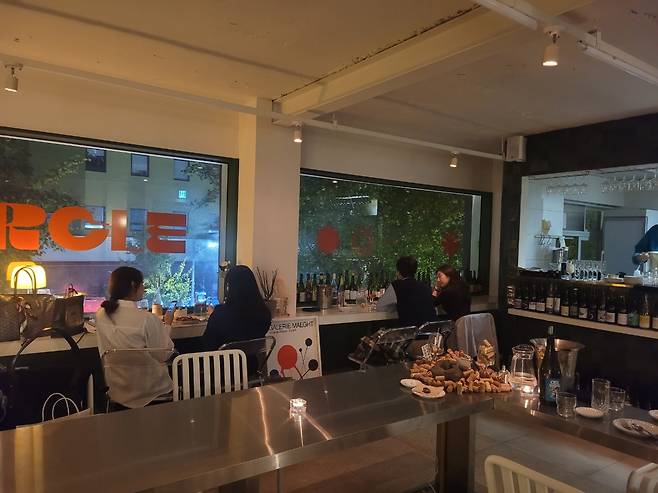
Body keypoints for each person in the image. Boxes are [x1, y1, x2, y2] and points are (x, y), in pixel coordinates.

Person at [96, 266, 175, 409]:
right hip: (152, 392)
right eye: (142, 283)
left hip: (117, 392)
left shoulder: (100, 315)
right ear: (133, 285)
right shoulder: (147, 319)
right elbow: (163, 354)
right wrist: (168, 325)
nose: (144, 287)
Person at [202, 265, 272, 351]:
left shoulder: (221, 315)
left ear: (230, 287)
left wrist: (214, 314)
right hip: (250, 363)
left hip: (223, 362)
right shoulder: (264, 313)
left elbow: (207, 345)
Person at [376, 256, 437, 327]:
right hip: (431, 332)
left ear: (399, 271)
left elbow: (380, 306)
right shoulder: (425, 287)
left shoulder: (397, 285)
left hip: (410, 333)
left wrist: (398, 305)